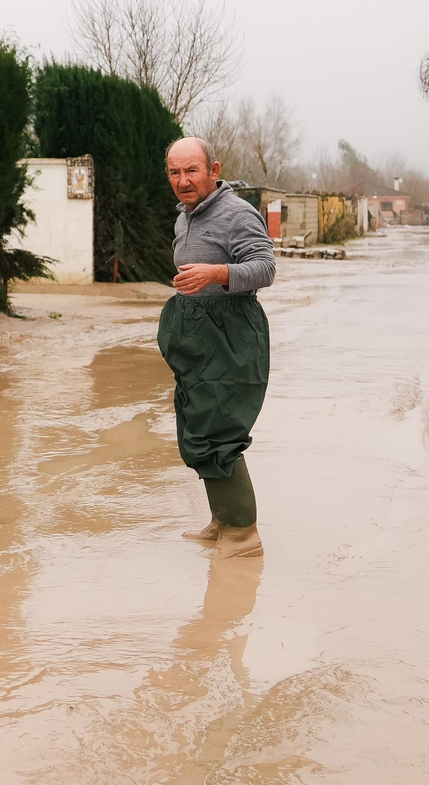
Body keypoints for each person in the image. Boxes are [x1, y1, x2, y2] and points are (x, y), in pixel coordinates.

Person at [157, 136, 275, 558]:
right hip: (195, 334)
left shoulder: (237, 214)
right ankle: (222, 520)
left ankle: (244, 537)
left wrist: (217, 272)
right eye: (175, 172)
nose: (183, 180)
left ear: (214, 169)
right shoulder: (184, 217)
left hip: (231, 334)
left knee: (220, 431)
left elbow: (265, 268)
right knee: (195, 426)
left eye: (192, 170)